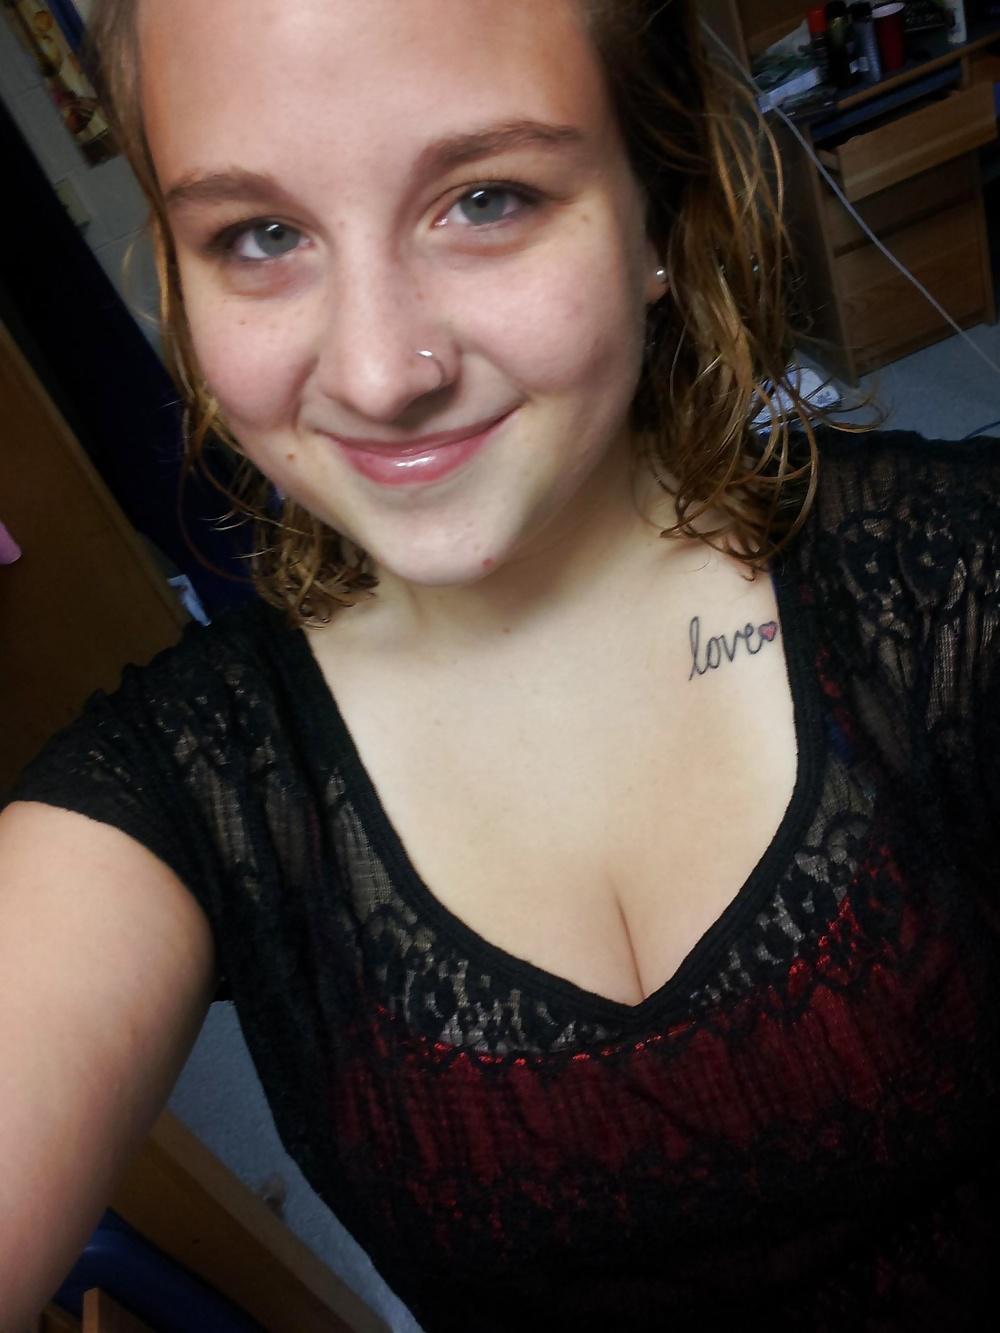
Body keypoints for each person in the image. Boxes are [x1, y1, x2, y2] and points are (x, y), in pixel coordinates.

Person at [1, 0, 997, 1328]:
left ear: (657, 204)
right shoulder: (180, 788)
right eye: (262, 235)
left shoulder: (954, 582)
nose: (379, 373)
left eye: (486, 199)